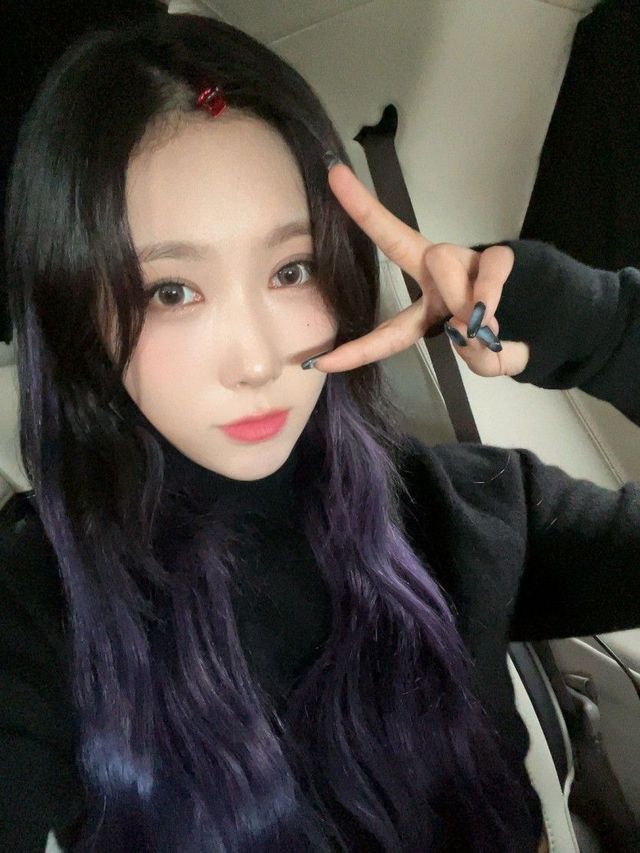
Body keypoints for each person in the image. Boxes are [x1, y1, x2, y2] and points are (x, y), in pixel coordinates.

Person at [0, 13, 638, 853]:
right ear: (78, 312)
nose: (257, 359)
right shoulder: (39, 609)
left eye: (291, 270)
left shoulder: (461, 511)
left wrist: (599, 328)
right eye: (171, 292)